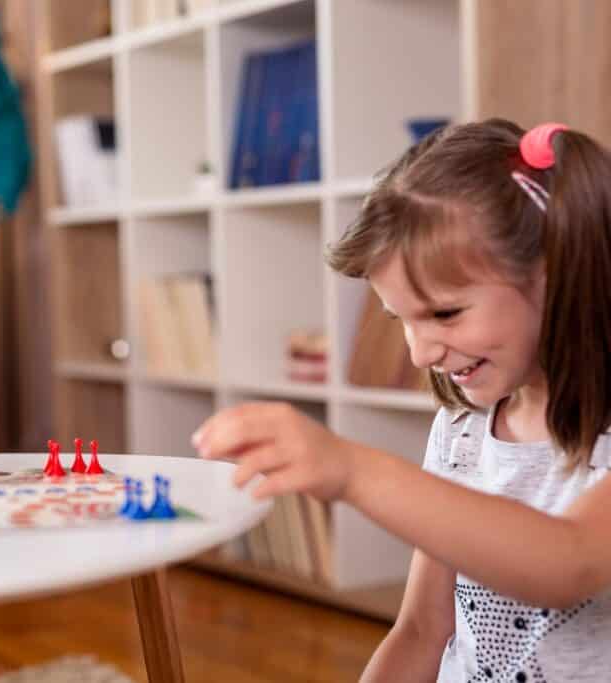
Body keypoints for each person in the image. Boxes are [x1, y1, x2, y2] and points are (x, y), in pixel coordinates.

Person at [192, 119, 611, 682]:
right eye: (402, 321)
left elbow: (570, 562)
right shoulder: (462, 431)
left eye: (444, 313)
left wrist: (352, 470)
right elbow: (420, 630)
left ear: (556, 274)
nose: (419, 354)